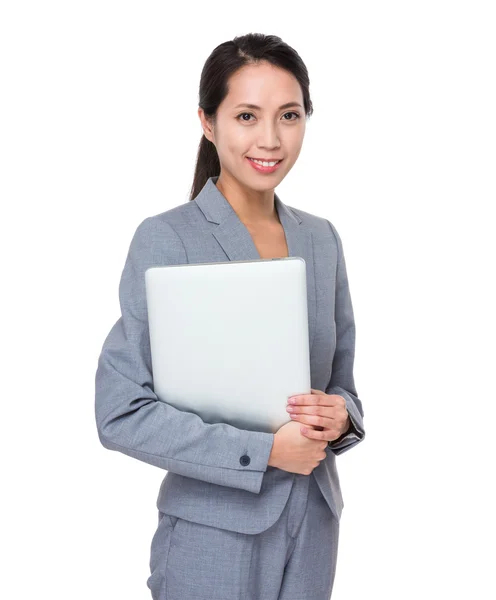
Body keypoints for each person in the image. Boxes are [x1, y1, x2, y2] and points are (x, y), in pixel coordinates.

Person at [94, 32, 365, 600]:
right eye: (247, 115)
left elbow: (342, 387)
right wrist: (265, 451)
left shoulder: (321, 240)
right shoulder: (168, 239)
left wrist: (341, 419)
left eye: (289, 116)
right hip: (212, 533)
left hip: (313, 526)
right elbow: (121, 411)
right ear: (208, 122)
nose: (270, 138)